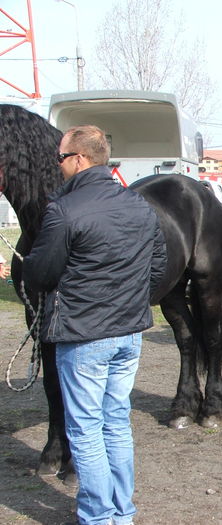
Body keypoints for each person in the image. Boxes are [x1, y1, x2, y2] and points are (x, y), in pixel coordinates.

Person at [23, 125, 167, 525]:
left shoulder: (64, 210)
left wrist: (24, 267)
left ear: (80, 159)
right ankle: (122, 512)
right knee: (115, 422)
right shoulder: (139, 205)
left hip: (85, 337)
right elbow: (157, 267)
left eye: (61, 158)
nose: (59, 166)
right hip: (128, 333)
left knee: (85, 430)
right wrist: (128, 301)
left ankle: (99, 517)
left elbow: (42, 274)